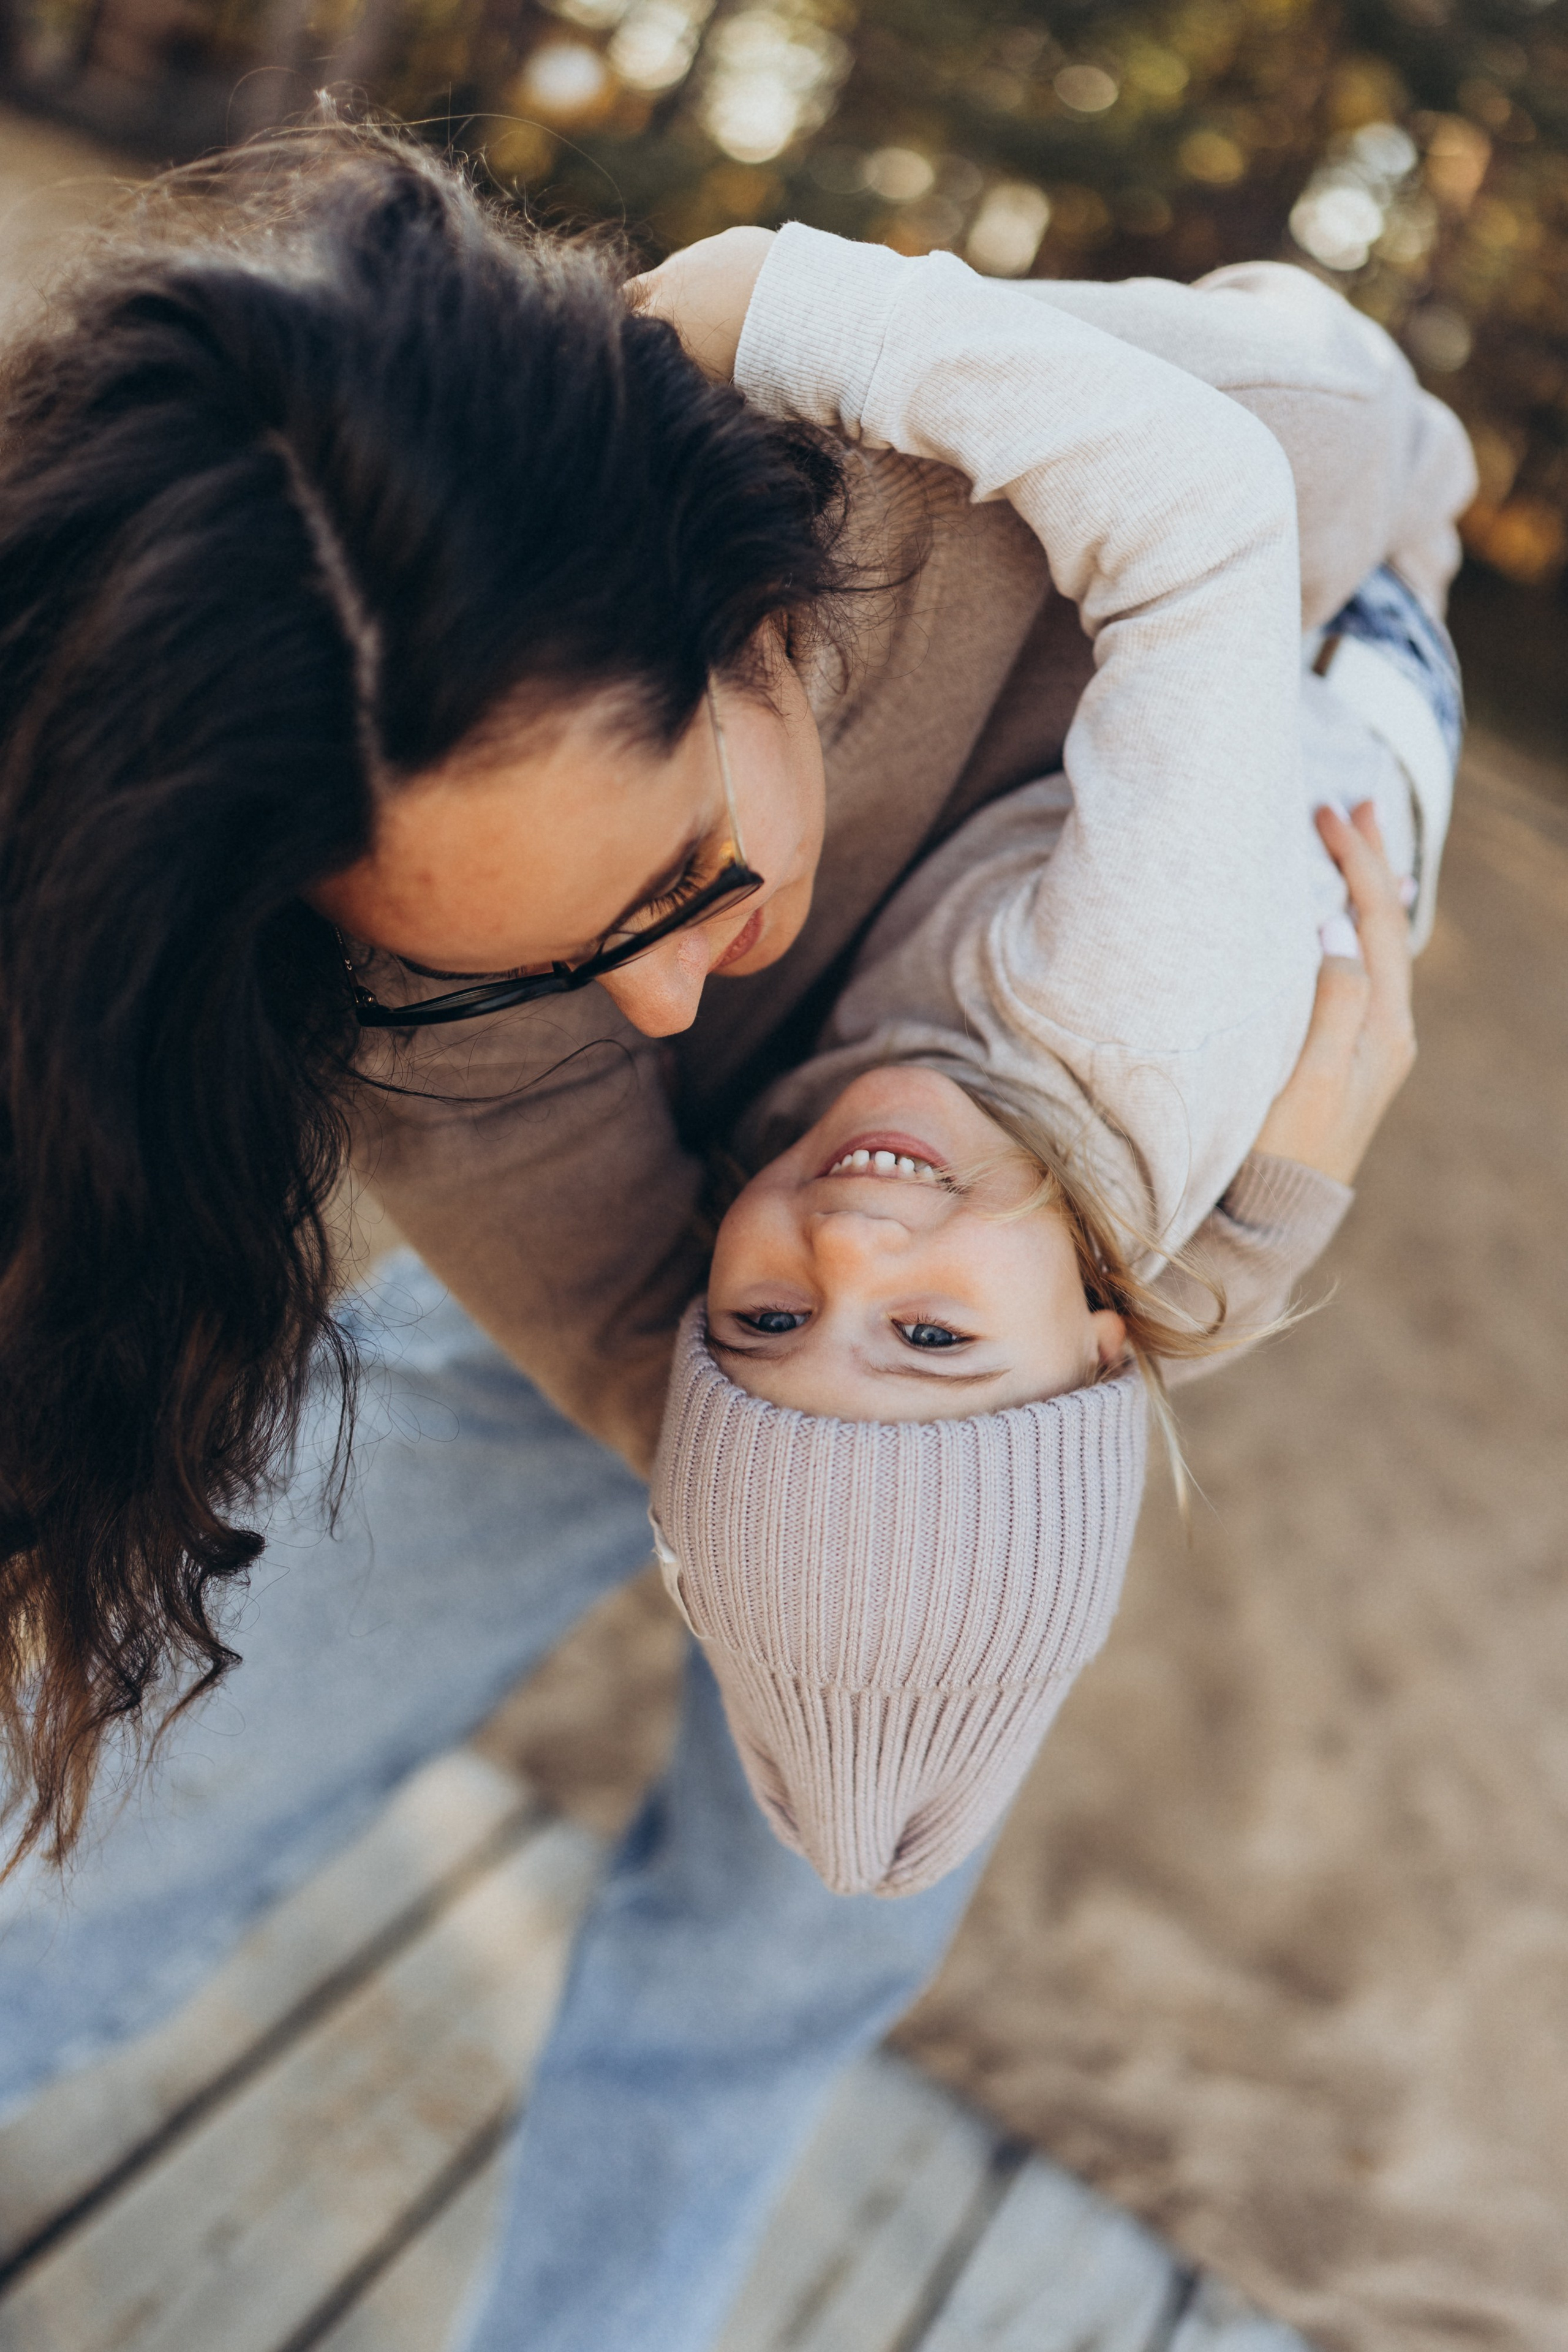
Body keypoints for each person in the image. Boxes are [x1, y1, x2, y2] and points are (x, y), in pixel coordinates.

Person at [0, 124, 1471, 2351]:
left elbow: (1337, 449)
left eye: (683, 873)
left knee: (831, 1877)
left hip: (1020, 1302)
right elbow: (638, 1310)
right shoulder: (394, 966)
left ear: (758, 610)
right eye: (547, 965)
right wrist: (1192, 1255)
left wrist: (1039, 1350)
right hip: (729, 1321)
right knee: (200, 1746)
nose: (668, 1005)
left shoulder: (1068, 462)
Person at [653, 550, 1461, 1896]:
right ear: (1099, 1351)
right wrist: (1237, 1243)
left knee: (901, 1727)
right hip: (1323, 578)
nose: (843, 1251)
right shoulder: (1147, 1004)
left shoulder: (818, 1155)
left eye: (769, 1321)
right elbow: (1243, 516)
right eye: (928, 1335)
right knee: (916, 1738)